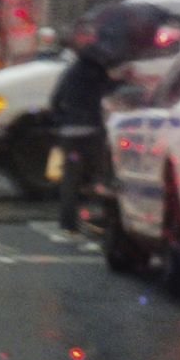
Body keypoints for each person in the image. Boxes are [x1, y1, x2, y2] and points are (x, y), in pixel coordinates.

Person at [49, 52, 119, 232]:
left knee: (70, 178)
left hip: (70, 133)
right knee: (101, 175)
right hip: (93, 132)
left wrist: (61, 121)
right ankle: (103, 218)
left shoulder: (69, 73)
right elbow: (111, 95)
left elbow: (55, 101)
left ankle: (68, 222)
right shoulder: (99, 75)